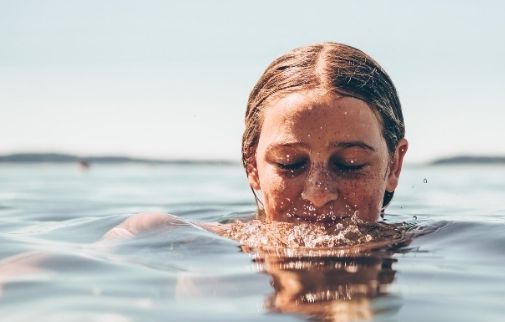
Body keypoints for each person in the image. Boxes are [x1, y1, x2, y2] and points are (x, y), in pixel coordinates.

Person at [103, 42, 409, 243]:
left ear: (394, 165)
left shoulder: (433, 245)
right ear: (252, 166)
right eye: (290, 163)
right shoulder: (170, 238)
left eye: (349, 163)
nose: (318, 193)